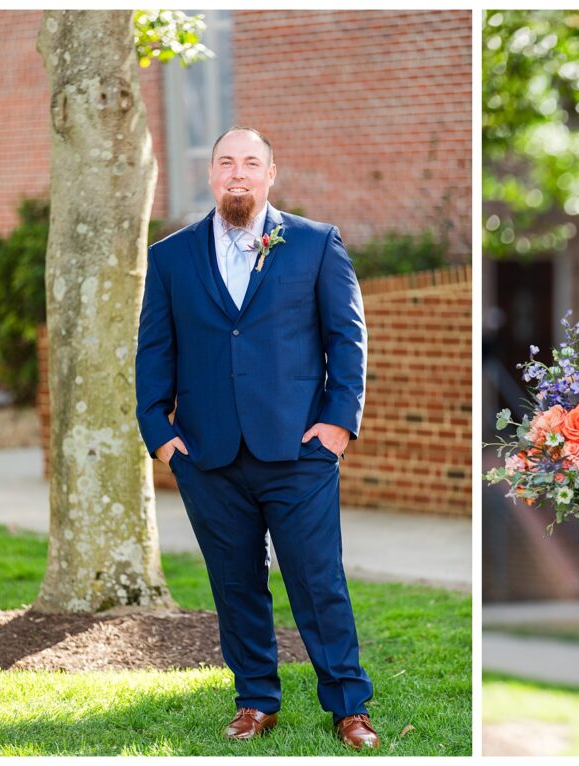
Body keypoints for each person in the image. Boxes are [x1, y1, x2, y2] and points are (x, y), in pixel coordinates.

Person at [135, 126, 379, 749]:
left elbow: (346, 340)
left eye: (250, 163)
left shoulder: (316, 244)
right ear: (211, 175)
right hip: (208, 454)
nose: (237, 174)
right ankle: (255, 702)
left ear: (272, 173)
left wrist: (336, 425)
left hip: (299, 450)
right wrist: (159, 434)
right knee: (234, 582)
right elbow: (154, 349)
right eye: (226, 163)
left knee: (317, 579)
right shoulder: (170, 256)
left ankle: (349, 706)